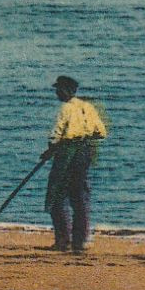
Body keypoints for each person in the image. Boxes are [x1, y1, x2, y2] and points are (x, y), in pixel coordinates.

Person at [40, 75, 108, 254]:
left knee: (58, 196)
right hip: (84, 154)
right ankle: (81, 241)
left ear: (66, 91)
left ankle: (63, 241)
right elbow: (101, 132)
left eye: (58, 90)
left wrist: (50, 150)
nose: (57, 93)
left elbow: (56, 134)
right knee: (79, 197)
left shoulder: (66, 108)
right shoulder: (88, 107)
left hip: (66, 153)